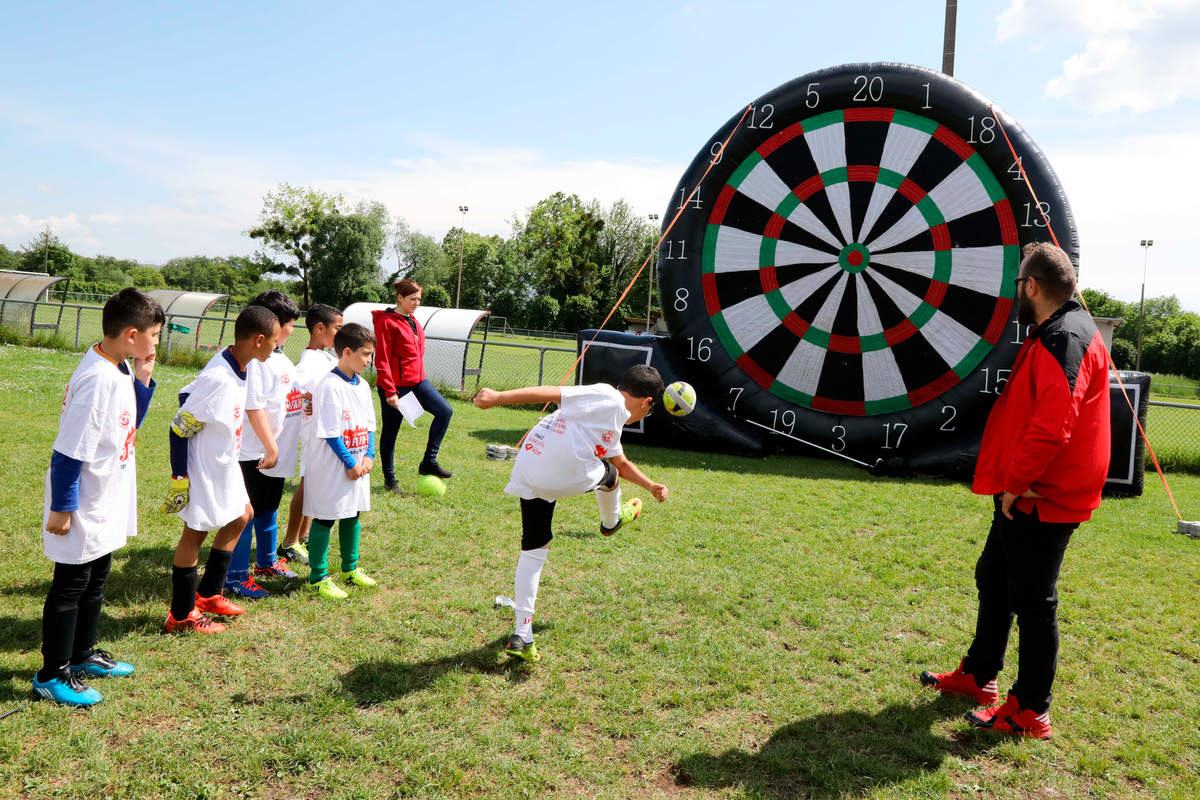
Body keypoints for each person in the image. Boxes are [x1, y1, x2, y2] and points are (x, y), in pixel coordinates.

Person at [919, 242, 1111, 739]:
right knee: (995, 577)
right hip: (1028, 491)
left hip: (1040, 495)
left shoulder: (1062, 339)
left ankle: (1030, 709)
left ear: (1032, 286)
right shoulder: (1064, 331)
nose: (1017, 294)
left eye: (1018, 284)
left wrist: (1018, 484)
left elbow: (1053, 424)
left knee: (1032, 599)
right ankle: (979, 676)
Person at [472, 365, 670, 663]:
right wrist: (498, 397)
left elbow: (621, 460)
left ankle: (522, 634)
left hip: (530, 466)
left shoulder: (606, 417)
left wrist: (650, 485)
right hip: (560, 472)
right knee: (610, 475)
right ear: (647, 402)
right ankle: (611, 522)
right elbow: (554, 392)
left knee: (534, 547)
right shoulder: (608, 397)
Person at [33, 288, 163, 706]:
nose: (157, 342)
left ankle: (83, 654)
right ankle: (52, 673)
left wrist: (143, 376)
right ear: (131, 333)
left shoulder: (119, 367)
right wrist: (62, 508)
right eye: (155, 335)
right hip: (82, 501)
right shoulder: (96, 378)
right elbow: (68, 450)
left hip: (107, 493)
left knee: (96, 578)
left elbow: (130, 424)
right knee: (71, 585)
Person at [162, 306, 280, 633]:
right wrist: (179, 477)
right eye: (273, 342)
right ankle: (182, 615)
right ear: (258, 340)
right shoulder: (219, 377)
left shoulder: (240, 365)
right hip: (203, 468)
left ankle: (210, 594)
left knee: (242, 515)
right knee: (195, 532)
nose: (276, 347)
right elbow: (178, 427)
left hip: (225, 463)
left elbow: (187, 391)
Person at [224, 291, 303, 599]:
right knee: (247, 511)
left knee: (269, 506)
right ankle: (235, 576)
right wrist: (270, 447)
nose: (293, 330)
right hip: (253, 451)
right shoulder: (259, 361)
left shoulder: (279, 357)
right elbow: (253, 407)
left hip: (273, 449)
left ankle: (266, 562)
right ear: (272, 324)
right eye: (290, 324)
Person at [302, 322, 378, 600]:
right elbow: (330, 432)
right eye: (365, 354)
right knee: (325, 517)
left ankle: (350, 568)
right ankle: (317, 577)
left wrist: (368, 455)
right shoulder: (330, 385)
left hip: (358, 464)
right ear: (347, 352)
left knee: (353, 512)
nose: (369, 361)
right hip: (333, 466)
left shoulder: (364, 385)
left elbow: (370, 424)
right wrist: (349, 462)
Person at [278, 303, 343, 565]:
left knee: (315, 486)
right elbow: (303, 395)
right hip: (314, 434)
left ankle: (304, 535)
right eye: (337, 327)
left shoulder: (327, 357)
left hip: (326, 431)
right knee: (307, 487)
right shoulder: (308, 364)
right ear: (319, 328)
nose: (341, 332)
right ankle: (289, 542)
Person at [372, 279, 454, 488]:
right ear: (400, 298)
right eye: (412, 299)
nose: (417, 302)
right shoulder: (387, 322)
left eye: (419, 299)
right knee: (391, 431)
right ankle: (390, 479)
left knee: (445, 411)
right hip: (395, 386)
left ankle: (429, 462)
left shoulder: (414, 321)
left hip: (418, 382)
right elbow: (381, 359)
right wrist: (390, 391)